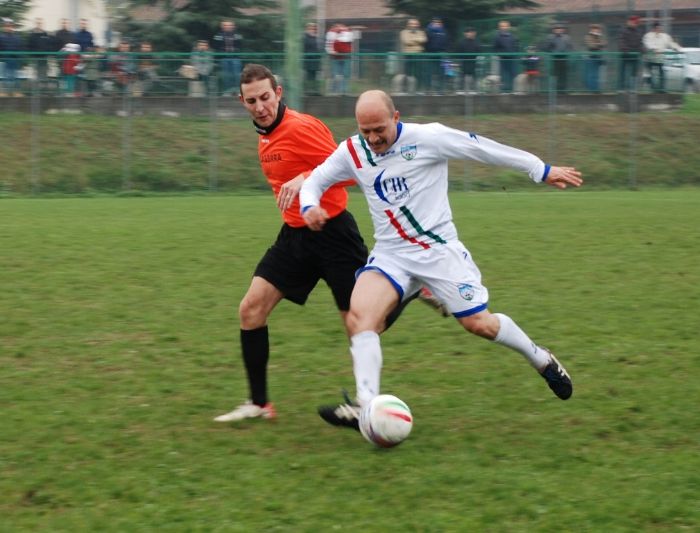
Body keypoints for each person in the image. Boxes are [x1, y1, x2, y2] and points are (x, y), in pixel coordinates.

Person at [299, 90, 582, 430]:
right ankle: (366, 404)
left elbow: (482, 148)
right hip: (391, 255)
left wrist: (541, 169)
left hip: (438, 252)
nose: (373, 138)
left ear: (396, 118)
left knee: (480, 324)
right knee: (360, 319)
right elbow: (315, 179)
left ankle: (540, 358)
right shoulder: (352, 151)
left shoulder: (428, 137)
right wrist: (309, 205)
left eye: (379, 129)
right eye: (366, 131)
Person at [213, 65, 423, 424]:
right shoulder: (265, 133)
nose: (260, 106)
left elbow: (353, 172)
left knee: (364, 323)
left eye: (266, 97)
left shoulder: (301, 127)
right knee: (251, 310)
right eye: (252, 101)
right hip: (295, 237)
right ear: (242, 102)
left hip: (333, 235)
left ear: (279, 93)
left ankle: (409, 287)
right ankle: (259, 404)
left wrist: (305, 177)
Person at [643, 22, 681, 93]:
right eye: (657, 28)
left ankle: (662, 89)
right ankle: (653, 89)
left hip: (660, 58)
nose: (659, 29)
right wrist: (654, 49)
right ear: (654, 28)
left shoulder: (665, 36)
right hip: (650, 58)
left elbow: (671, 43)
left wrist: (677, 48)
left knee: (662, 73)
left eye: (660, 28)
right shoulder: (648, 36)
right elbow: (648, 44)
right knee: (652, 74)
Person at [211, 19, 242, 96]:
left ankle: (237, 90)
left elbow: (240, 45)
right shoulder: (218, 35)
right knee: (226, 74)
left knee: (237, 74)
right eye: (226, 25)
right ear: (222, 27)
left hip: (235, 57)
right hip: (224, 57)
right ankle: (227, 90)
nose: (228, 27)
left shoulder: (237, 35)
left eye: (230, 25)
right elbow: (215, 45)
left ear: (233, 26)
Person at [399, 18, 427, 93]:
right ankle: (406, 90)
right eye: (412, 24)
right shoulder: (403, 32)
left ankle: (418, 90)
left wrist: (413, 40)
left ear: (418, 25)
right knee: (408, 73)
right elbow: (406, 41)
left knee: (419, 72)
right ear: (408, 25)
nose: (413, 25)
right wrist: (417, 40)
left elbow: (424, 40)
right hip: (408, 54)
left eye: (415, 24)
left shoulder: (421, 32)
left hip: (418, 54)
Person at [544, 23, 573, 93]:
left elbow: (570, 47)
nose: (559, 30)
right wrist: (553, 52)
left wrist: (567, 52)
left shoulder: (567, 37)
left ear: (563, 30)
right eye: (557, 29)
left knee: (564, 74)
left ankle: (563, 90)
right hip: (555, 59)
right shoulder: (550, 37)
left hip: (564, 58)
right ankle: (555, 90)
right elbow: (546, 48)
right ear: (554, 30)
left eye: (560, 29)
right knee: (555, 74)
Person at [618, 15, 644, 91]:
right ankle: (621, 88)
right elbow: (621, 41)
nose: (635, 24)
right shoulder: (623, 30)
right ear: (629, 22)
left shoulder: (639, 31)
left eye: (636, 23)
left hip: (635, 55)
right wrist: (625, 49)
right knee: (623, 72)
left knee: (634, 72)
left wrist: (642, 49)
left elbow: (640, 43)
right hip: (625, 54)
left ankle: (633, 88)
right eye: (633, 22)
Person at [326, 23, 353, 95]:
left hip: (345, 57)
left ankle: (343, 91)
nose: (339, 28)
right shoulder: (331, 35)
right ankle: (333, 91)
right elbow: (329, 46)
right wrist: (332, 52)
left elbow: (349, 41)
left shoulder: (346, 34)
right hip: (335, 58)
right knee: (335, 74)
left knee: (345, 74)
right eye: (337, 27)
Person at [27, 18, 53, 92]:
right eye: (38, 23)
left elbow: (49, 45)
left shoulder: (46, 35)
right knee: (35, 74)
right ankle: (35, 91)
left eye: (40, 23)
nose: (39, 25)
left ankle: (43, 91)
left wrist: (48, 54)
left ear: (42, 24)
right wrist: (32, 55)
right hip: (35, 58)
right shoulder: (32, 35)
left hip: (44, 58)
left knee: (44, 74)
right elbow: (29, 46)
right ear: (36, 24)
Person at [493, 20, 519, 93]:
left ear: (508, 27)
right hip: (503, 58)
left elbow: (516, 46)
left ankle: (511, 89)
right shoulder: (497, 37)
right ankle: (503, 90)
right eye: (502, 26)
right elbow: (495, 48)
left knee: (512, 74)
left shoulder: (513, 36)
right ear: (499, 27)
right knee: (503, 74)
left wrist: (515, 54)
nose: (503, 27)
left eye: (505, 26)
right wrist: (500, 54)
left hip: (512, 58)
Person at [0, 18, 24, 97]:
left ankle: (16, 92)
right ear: (4, 27)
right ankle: (4, 92)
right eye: (6, 26)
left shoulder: (17, 37)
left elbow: (20, 48)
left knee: (16, 77)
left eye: (10, 26)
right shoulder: (1, 37)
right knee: (4, 77)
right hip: (4, 60)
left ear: (12, 27)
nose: (8, 27)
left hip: (14, 60)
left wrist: (19, 58)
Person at [424, 17, 448, 93]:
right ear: (432, 23)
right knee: (429, 72)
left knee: (442, 72)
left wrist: (445, 51)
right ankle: (428, 89)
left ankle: (440, 90)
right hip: (430, 54)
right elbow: (425, 42)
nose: (437, 24)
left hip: (442, 54)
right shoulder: (428, 31)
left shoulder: (444, 32)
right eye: (435, 22)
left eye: (439, 23)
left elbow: (447, 42)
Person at [455, 27, 481, 93]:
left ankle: (475, 90)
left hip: (473, 62)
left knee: (474, 76)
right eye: (468, 32)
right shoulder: (461, 42)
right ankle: (460, 90)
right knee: (462, 76)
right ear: (465, 33)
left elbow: (479, 52)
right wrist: (458, 61)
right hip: (464, 62)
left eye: (471, 32)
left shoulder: (476, 42)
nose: (470, 34)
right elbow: (458, 52)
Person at [584, 23, 607, 92]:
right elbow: (591, 46)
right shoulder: (588, 36)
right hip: (591, 57)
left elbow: (605, 43)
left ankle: (597, 89)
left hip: (600, 57)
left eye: (598, 29)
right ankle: (592, 89)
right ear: (592, 29)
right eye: (596, 29)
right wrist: (600, 44)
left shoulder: (600, 36)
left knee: (598, 74)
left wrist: (599, 43)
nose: (597, 30)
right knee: (592, 74)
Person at [303, 22, 321, 95]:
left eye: (314, 28)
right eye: (311, 28)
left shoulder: (315, 38)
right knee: (309, 76)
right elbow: (304, 48)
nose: (312, 30)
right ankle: (308, 91)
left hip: (315, 60)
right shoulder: (305, 38)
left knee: (315, 76)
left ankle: (314, 91)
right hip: (309, 59)